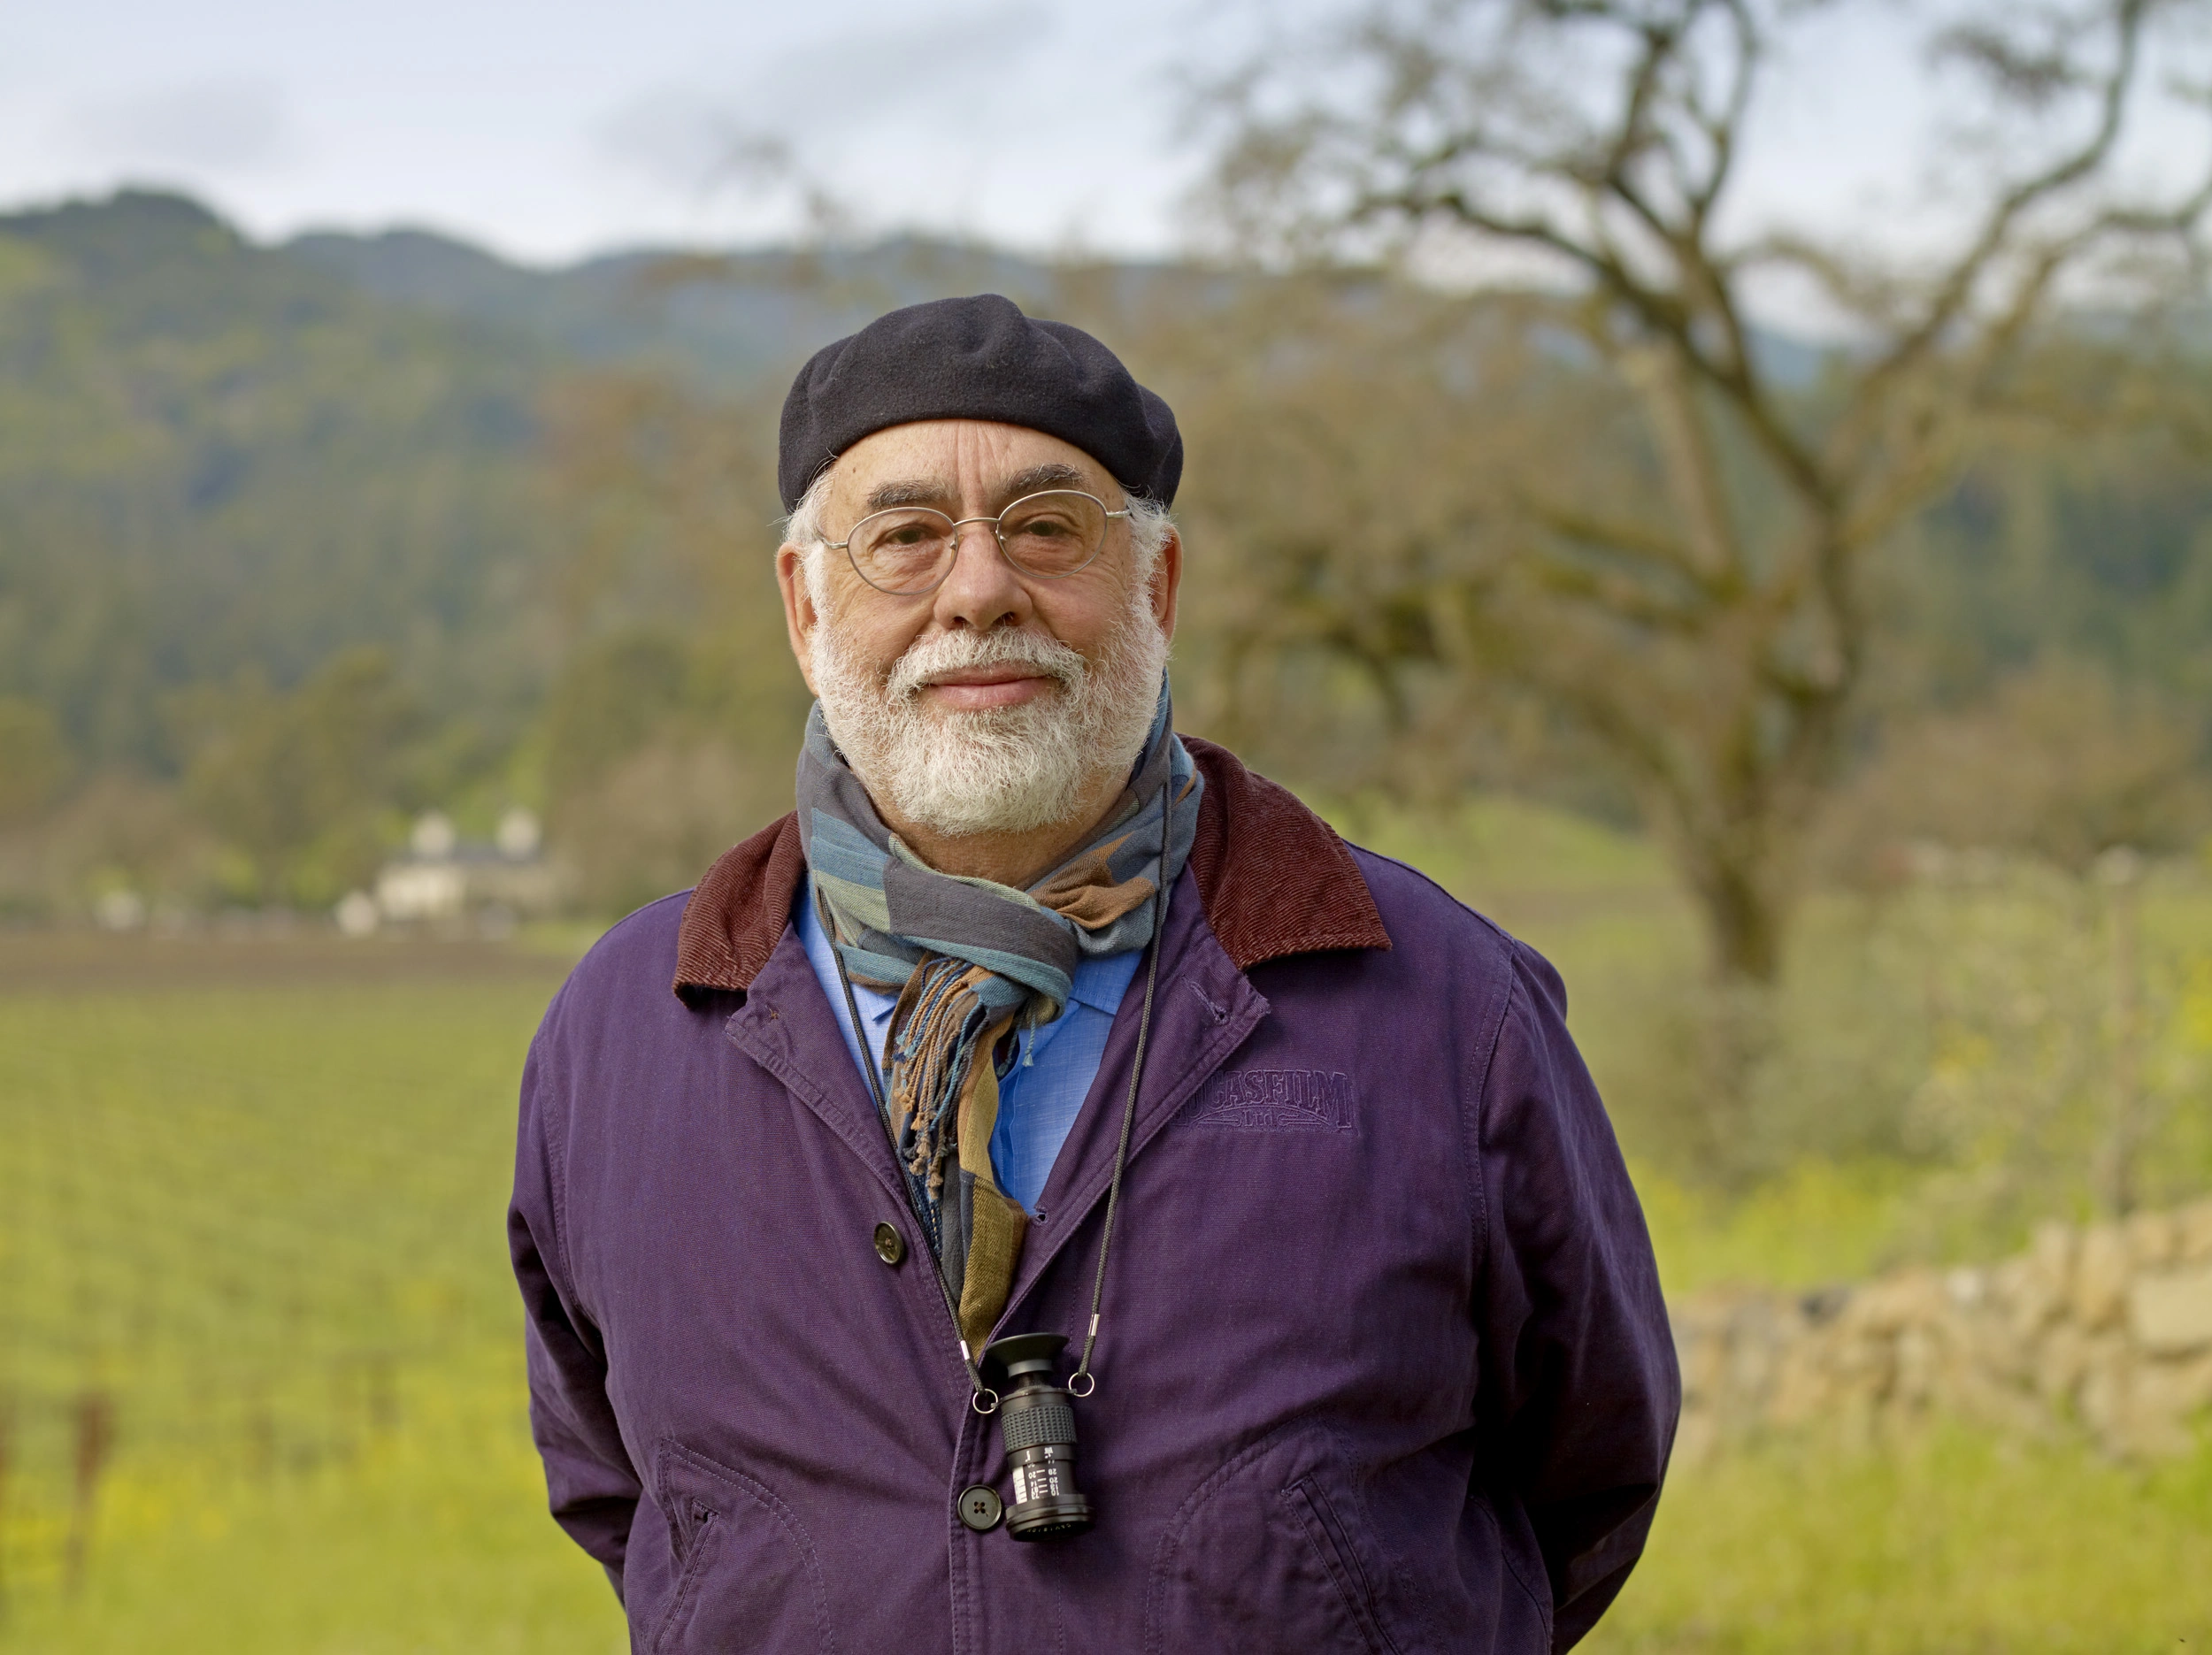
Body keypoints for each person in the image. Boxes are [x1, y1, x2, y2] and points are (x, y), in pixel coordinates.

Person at [509, 294, 1678, 1654]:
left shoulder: (1442, 1007)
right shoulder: (625, 1032)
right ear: (805, 608)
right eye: (903, 537)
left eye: (1049, 526)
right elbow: (631, 1498)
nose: (979, 588)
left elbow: (1587, 1474)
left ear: (1158, 587)